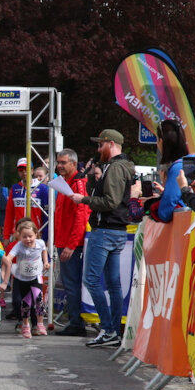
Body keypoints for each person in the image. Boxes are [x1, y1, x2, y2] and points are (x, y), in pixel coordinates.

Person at [69, 129, 134, 349]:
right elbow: (105, 197)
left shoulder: (115, 168)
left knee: (91, 280)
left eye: (101, 145)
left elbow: (110, 202)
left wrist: (83, 200)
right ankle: (113, 330)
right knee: (113, 283)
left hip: (105, 231)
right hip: (116, 231)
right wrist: (90, 176)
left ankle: (108, 329)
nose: (98, 149)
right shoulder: (119, 166)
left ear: (111, 144)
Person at [52, 148, 91, 336]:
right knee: (70, 284)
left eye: (63, 162)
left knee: (72, 283)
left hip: (70, 244)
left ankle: (76, 323)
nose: (59, 165)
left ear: (74, 164)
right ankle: (75, 321)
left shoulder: (77, 183)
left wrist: (72, 244)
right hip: (64, 241)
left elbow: (81, 216)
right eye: (58, 162)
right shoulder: (66, 182)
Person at [7, 218, 51, 339]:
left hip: (36, 276)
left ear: (36, 234)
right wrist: (7, 260)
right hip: (22, 278)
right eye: (24, 237)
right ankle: (26, 325)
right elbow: (10, 256)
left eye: (30, 236)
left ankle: (40, 324)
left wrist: (46, 262)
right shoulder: (19, 246)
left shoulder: (40, 243)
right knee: (26, 303)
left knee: (38, 299)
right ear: (19, 237)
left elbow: (44, 250)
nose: (28, 239)